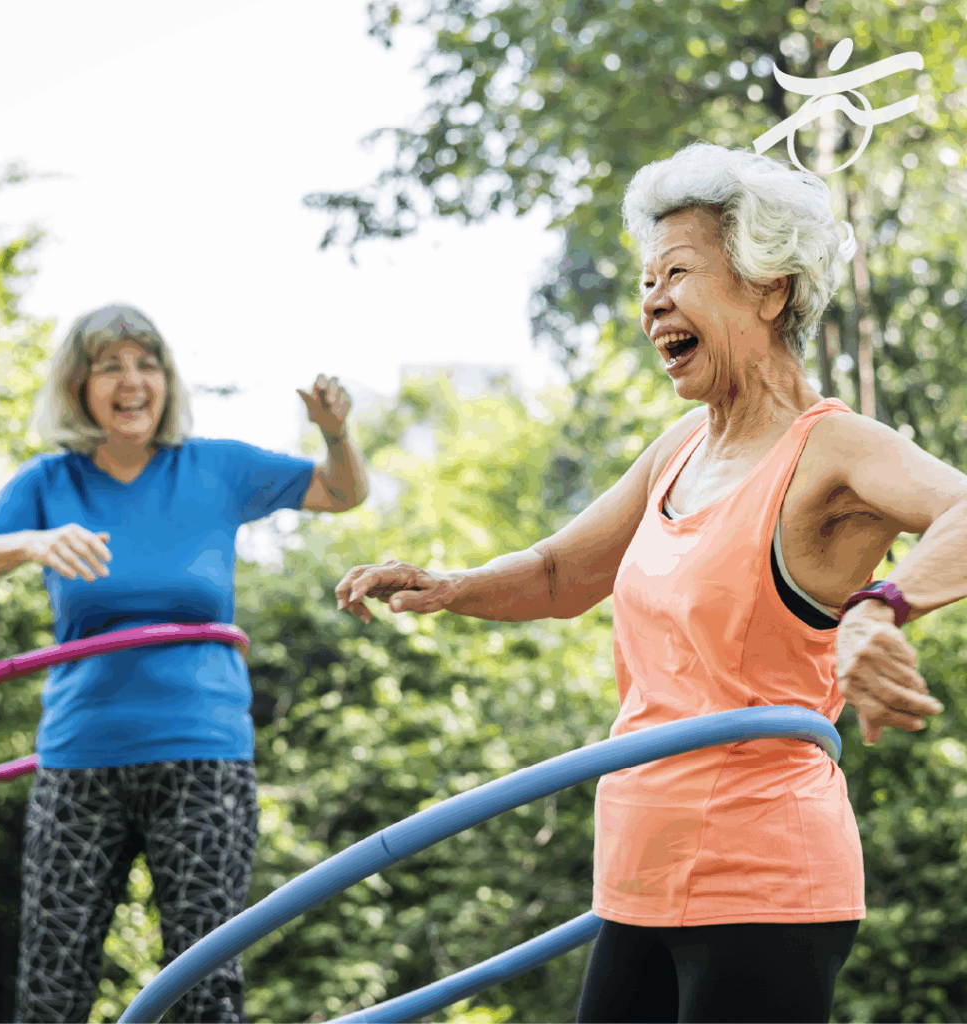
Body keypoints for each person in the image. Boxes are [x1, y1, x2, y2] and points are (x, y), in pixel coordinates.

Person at [335, 143, 967, 1024]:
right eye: (645, 282)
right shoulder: (681, 451)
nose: (651, 303)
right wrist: (450, 586)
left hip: (760, 881)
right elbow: (560, 572)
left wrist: (879, 609)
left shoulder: (833, 448)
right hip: (636, 878)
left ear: (769, 288)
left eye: (676, 273)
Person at [0, 304, 369, 1024]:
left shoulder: (216, 467)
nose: (131, 381)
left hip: (204, 761)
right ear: (78, 386)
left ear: (167, 381)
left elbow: (341, 492)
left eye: (146, 364)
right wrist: (30, 543)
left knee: (204, 992)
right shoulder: (50, 483)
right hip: (79, 762)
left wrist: (335, 432)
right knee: (51, 992)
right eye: (109, 366)